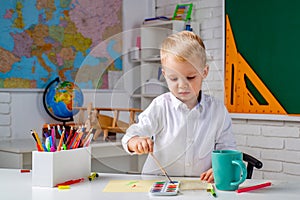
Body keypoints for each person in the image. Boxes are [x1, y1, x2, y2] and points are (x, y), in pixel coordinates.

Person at [121, 31, 236, 183]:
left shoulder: (217, 110)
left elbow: (227, 148)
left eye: (190, 77)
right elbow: (133, 133)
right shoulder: (160, 106)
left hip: (200, 185)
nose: (182, 85)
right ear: (164, 74)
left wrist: (219, 168)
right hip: (157, 182)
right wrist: (134, 141)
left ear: (204, 72)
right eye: (173, 78)